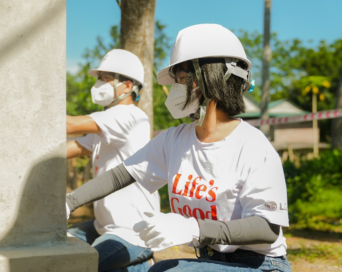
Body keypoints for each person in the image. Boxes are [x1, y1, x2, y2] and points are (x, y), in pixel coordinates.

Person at [66, 24, 291, 272]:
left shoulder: (253, 145)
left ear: (211, 77)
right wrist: (69, 201)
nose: (176, 89)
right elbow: (122, 175)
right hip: (212, 259)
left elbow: (267, 229)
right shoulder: (175, 140)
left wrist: (195, 228)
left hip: (262, 265)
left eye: (183, 80)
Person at [66, 49, 160, 272]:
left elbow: (69, 125)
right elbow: (73, 147)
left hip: (132, 231)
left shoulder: (129, 116)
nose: (98, 84)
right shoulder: (107, 126)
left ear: (127, 85)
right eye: (99, 78)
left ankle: (141, 262)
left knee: (80, 266)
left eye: (105, 79)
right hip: (104, 227)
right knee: (54, 244)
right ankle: (136, 263)